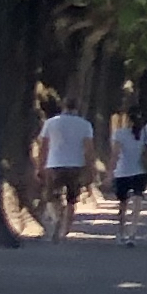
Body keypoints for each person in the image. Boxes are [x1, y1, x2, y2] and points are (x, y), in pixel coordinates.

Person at [33, 101, 97, 236]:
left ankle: (57, 216)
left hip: (54, 163)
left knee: (50, 196)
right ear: (76, 109)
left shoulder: (51, 123)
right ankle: (65, 231)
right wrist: (91, 168)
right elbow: (89, 149)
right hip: (76, 165)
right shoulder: (85, 125)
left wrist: (40, 165)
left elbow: (43, 146)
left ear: (63, 107)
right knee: (72, 200)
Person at [104, 109, 147, 233]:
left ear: (126, 119)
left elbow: (115, 155)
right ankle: (132, 231)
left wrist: (110, 173)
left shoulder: (119, 134)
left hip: (122, 171)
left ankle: (121, 230)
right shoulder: (144, 132)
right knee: (137, 200)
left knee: (123, 203)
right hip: (141, 170)